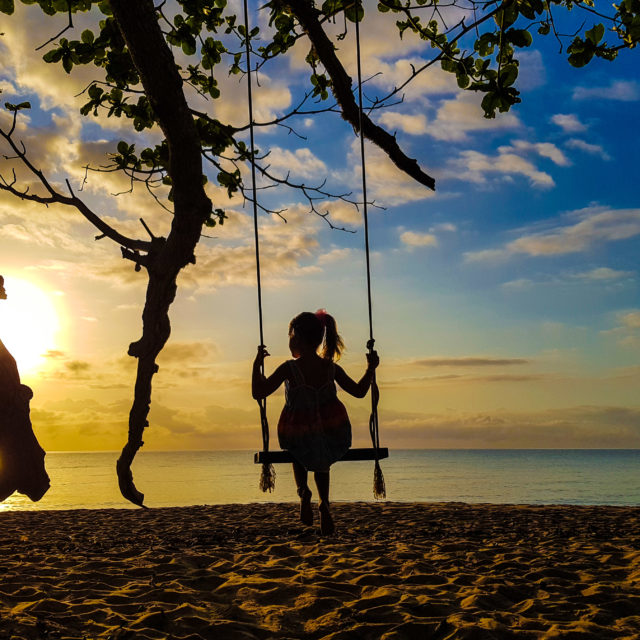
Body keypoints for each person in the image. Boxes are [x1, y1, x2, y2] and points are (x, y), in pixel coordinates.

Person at [252, 309, 379, 535]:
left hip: (298, 433)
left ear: (297, 338)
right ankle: (324, 502)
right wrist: (370, 369)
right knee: (321, 454)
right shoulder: (331, 368)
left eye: (290, 335)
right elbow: (359, 392)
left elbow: (258, 392)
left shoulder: (289, 368)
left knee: (297, 448)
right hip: (333, 433)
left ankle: (303, 492)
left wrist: (256, 365)